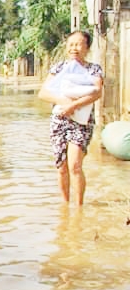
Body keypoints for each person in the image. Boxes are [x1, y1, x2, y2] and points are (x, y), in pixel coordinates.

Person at [37, 30, 104, 205]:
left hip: (82, 123)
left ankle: (79, 207)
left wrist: (73, 106)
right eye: (71, 44)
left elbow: (97, 93)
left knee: (75, 165)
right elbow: (43, 93)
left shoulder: (93, 69)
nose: (74, 48)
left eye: (78, 44)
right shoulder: (59, 68)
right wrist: (63, 102)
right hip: (60, 121)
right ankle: (66, 207)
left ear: (87, 47)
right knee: (61, 167)